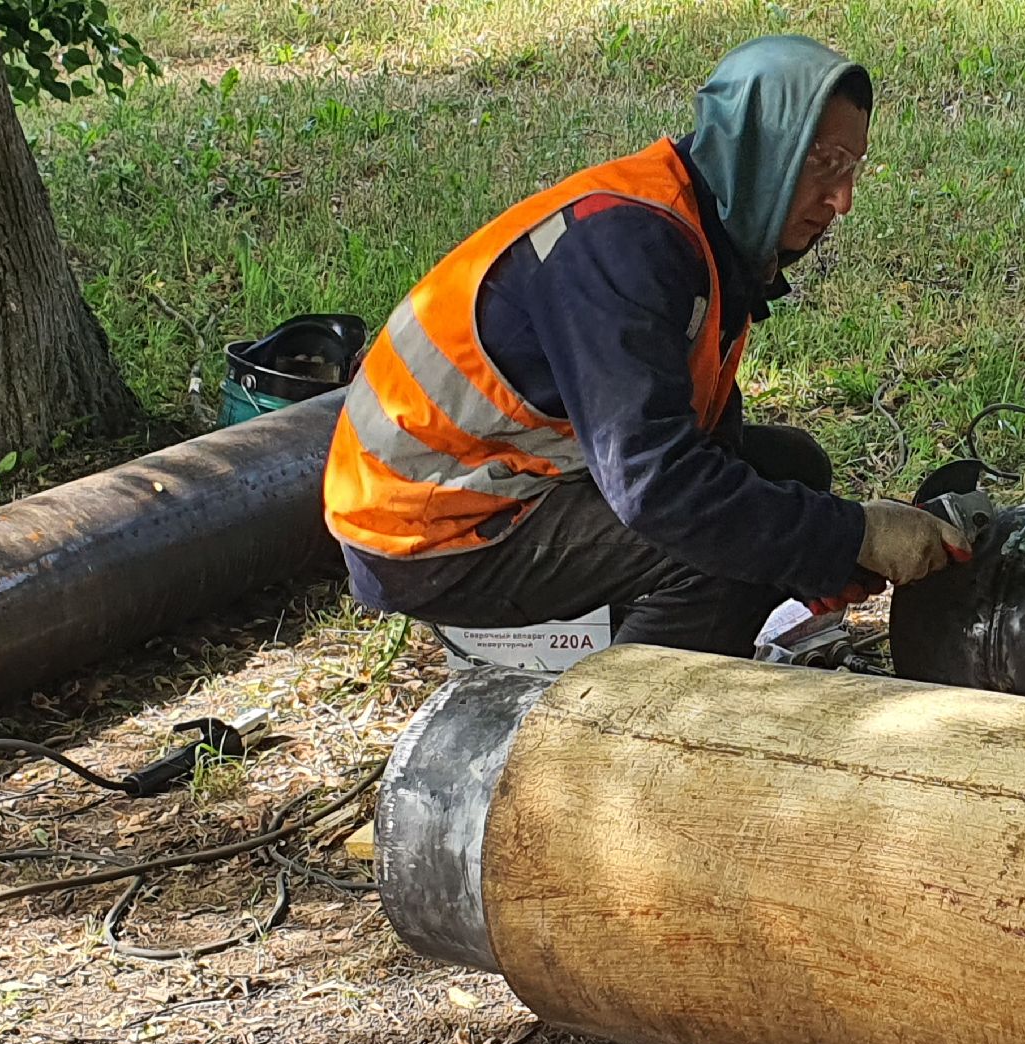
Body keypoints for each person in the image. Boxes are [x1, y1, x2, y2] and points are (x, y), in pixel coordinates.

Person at [320, 35, 965, 656]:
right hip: (427, 528)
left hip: (492, 479)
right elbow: (657, 487)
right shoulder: (628, 249)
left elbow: (691, 431)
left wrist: (818, 555)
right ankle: (624, 735)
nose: (842, 201)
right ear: (760, 151)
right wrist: (851, 534)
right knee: (716, 552)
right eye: (823, 165)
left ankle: (655, 648)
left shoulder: (699, 226)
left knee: (791, 473)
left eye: (852, 170)